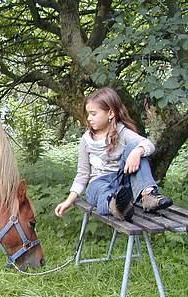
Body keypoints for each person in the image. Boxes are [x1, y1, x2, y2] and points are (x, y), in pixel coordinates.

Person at [54, 87, 172, 221]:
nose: (89, 118)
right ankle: (116, 206)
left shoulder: (123, 133)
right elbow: (82, 174)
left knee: (137, 147)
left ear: (110, 113)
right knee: (102, 191)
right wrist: (69, 201)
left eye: (93, 114)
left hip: (121, 181)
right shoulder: (86, 141)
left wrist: (137, 152)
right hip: (98, 184)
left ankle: (148, 195)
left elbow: (149, 145)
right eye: (88, 114)